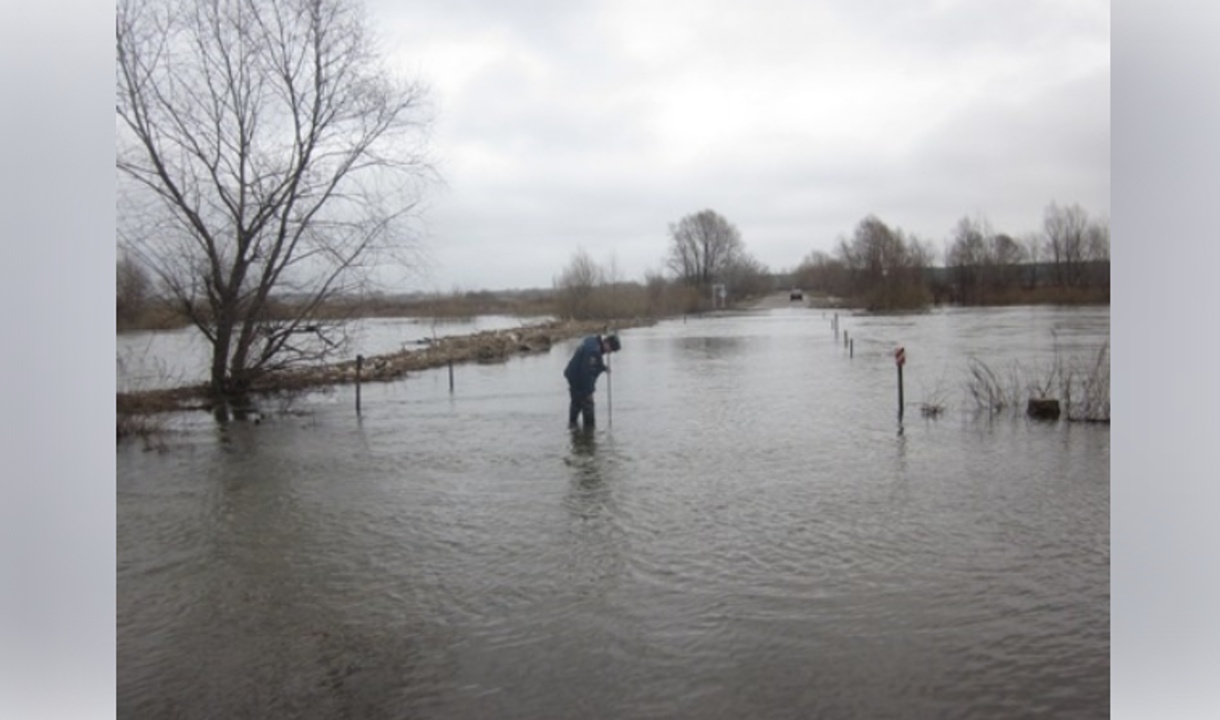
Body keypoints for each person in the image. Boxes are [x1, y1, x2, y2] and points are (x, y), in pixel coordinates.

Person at [564, 333, 620, 429]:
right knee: (588, 407)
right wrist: (588, 393)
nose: (609, 353)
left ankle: (573, 430)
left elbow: (592, 362)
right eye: (610, 349)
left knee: (576, 404)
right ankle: (589, 435)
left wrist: (603, 367)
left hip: (572, 375)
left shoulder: (591, 341)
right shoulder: (593, 351)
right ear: (606, 343)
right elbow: (586, 372)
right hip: (577, 379)